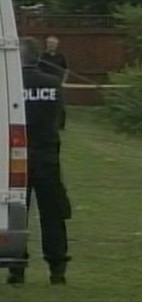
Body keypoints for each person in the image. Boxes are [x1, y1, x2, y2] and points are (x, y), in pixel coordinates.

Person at [7, 37, 71, 285]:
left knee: (16, 213)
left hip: (16, 158)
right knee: (52, 214)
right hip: (47, 156)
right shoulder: (53, 84)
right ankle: (57, 268)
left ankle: (16, 269)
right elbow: (60, 120)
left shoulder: (8, 86)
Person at [38, 35, 68, 130]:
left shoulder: (61, 56)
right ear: (46, 44)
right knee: (43, 105)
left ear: (57, 45)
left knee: (60, 105)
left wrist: (63, 81)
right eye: (50, 43)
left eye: (54, 44)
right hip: (44, 84)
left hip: (57, 83)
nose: (51, 45)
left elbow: (66, 70)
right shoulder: (41, 56)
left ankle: (60, 126)